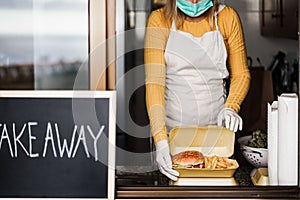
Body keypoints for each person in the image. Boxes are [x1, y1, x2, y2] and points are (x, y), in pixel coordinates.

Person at [144, 0, 250, 181]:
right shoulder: (159, 20)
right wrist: (160, 141)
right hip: (172, 136)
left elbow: (241, 74)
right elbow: (154, 83)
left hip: (217, 137)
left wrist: (231, 107)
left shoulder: (227, 17)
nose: (194, 1)